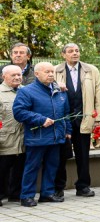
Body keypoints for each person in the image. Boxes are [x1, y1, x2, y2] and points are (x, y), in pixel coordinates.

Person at [12, 62, 73, 207]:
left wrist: (68, 131)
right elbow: (19, 112)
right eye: (47, 72)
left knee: (52, 166)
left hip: (56, 136)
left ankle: (47, 193)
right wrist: (41, 120)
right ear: (37, 74)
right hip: (37, 137)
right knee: (32, 167)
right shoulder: (27, 91)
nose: (51, 74)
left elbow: (66, 114)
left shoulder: (60, 91)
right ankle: (26, 196)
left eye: (52, 72)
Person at [54, 43, 100, 198]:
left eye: (77, 50)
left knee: (83, 155)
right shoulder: (56, 71)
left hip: (85, 117)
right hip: (63, 119)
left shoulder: (91, 70)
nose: (75, 53)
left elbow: (98, 94)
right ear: (63, 55)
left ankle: (83, 186)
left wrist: (98, 117)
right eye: (70, 51)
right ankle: (58, 187)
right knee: (61, 155)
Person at [0, 65, 25, 206]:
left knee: (19, 167)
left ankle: (15, 194)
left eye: (19, 74)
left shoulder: (25, 90)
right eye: (13, 75)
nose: (17, 77)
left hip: (22, 137)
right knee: (2, 168)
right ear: (4, 77)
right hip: (5, 137)